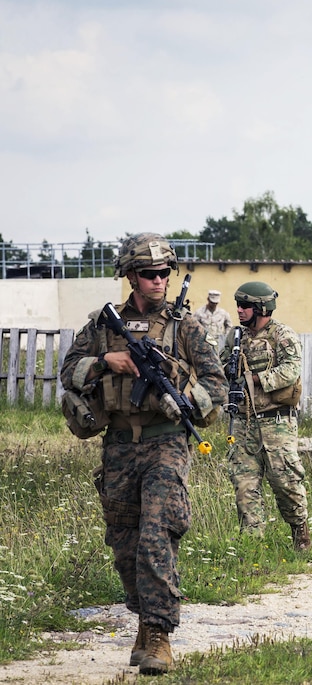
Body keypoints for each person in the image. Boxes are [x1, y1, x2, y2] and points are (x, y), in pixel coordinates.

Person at [59, 233, 226, 675]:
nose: (159, 280)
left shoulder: (186, 326)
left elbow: (218, 384)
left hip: (167, 442)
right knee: (125, 542)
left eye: (164, 273)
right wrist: (104, 363)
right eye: (150, 274)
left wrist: (188, 401)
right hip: (118, 446)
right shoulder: (102, 325)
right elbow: (67, 372)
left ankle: (158, 634)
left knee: (157, 534)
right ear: (131, 276)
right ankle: (142, 618)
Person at [223, 281, 310, 550]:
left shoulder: (283, 335)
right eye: (238, 304)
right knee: (244, 484)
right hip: (244, 422)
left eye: (245, 305)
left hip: (277, 422)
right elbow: (220, 365)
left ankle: (300, 531)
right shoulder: (235, 338)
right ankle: (252, 543)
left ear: (261, 307)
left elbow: (291, 371)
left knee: (285, 482)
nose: (239, 309)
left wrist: (255, 379)